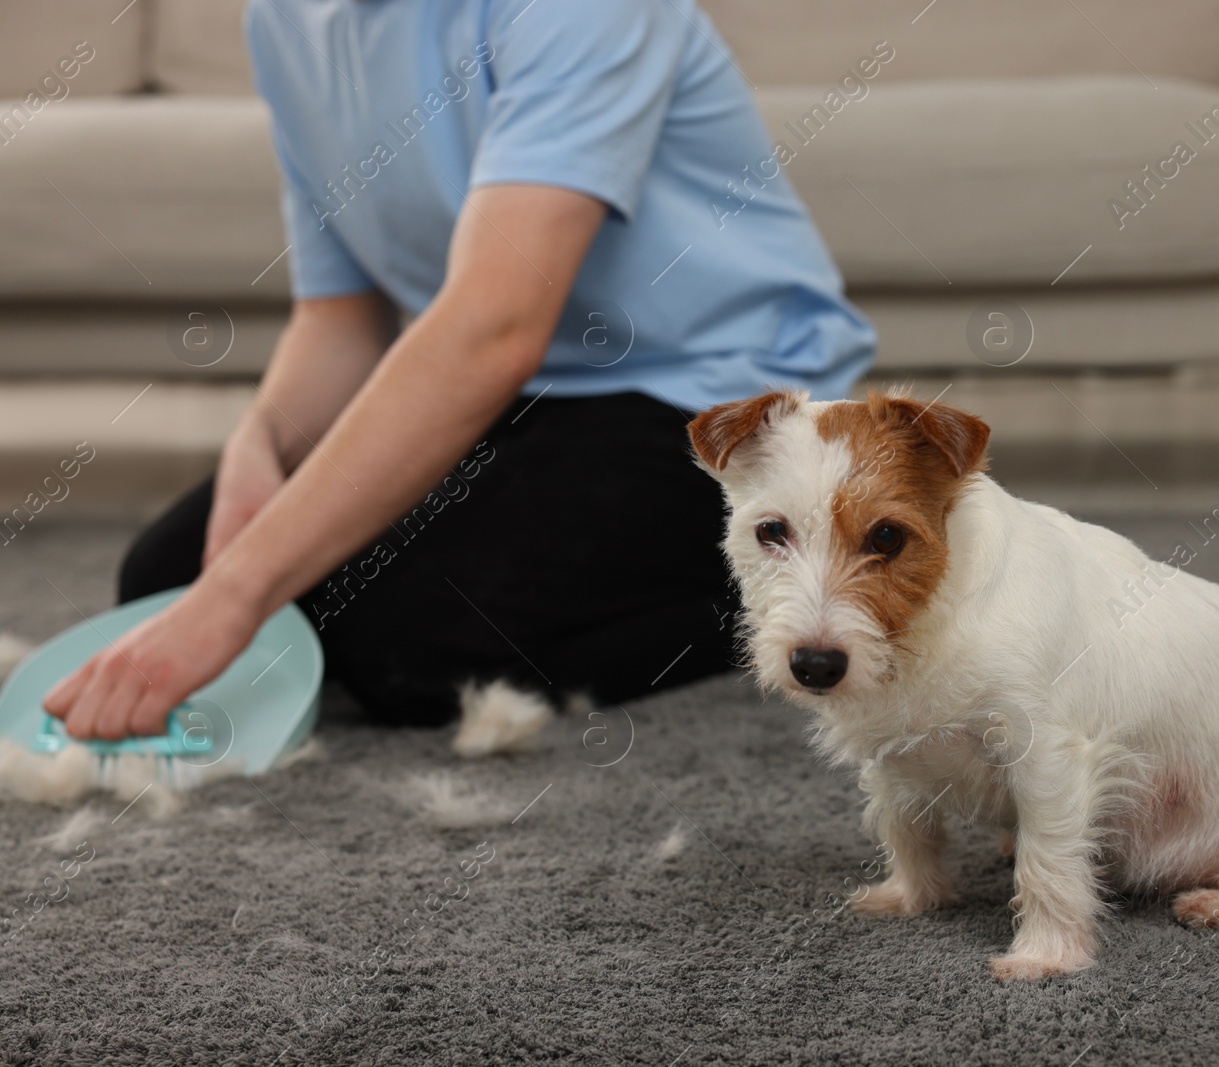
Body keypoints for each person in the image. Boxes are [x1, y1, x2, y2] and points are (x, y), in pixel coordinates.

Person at [43, 0, 873, 738]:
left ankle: (776, 582)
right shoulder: (281, 17)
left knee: (408, 645)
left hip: (717, 399)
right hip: (525, 396)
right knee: (166, 573)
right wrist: (257, 448)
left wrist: (234, 601)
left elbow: (494, 325)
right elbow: (342, 316)